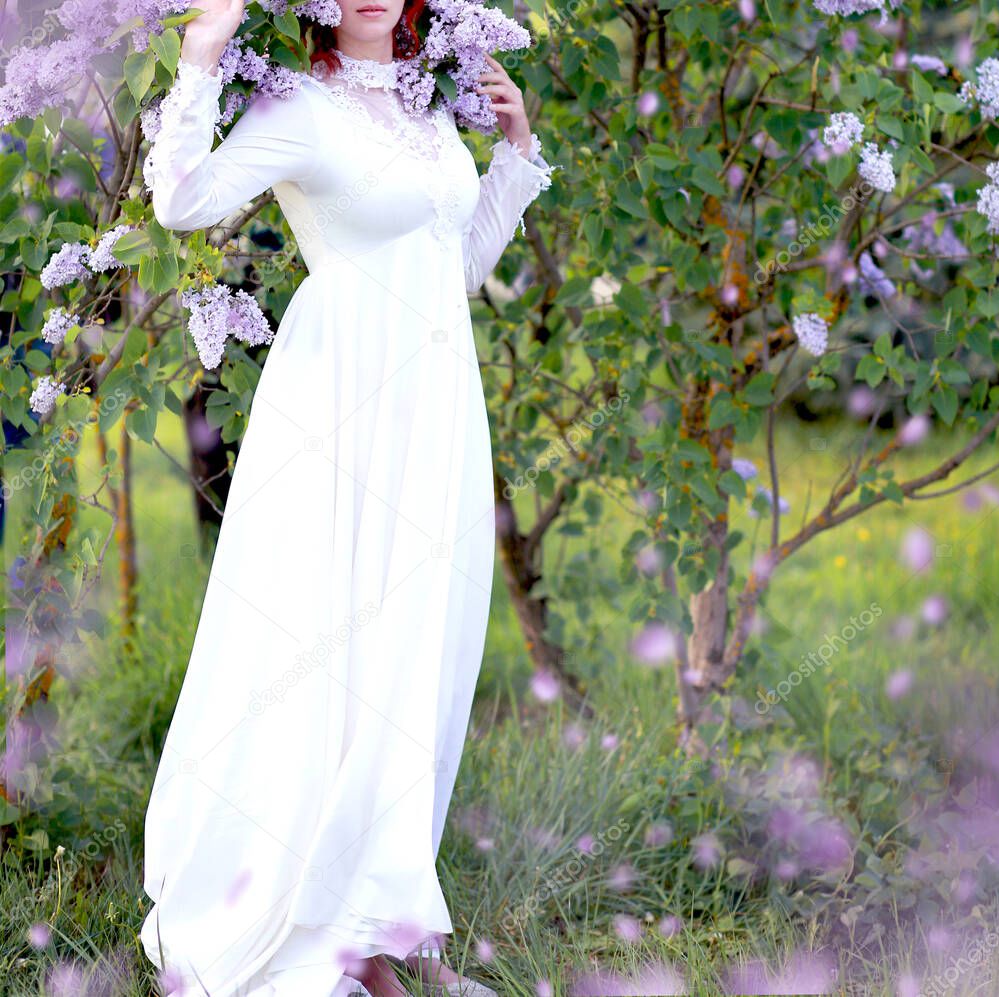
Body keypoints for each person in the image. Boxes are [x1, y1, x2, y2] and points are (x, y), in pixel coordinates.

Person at [137, 0, 556, 994]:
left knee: (418, 654)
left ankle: (378, 922)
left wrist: (515, 149)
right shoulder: (295, 110)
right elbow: (181, 206)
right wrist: (200, 57)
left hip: (435, 402)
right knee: (325, 644)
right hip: (340, 406)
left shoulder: (425, 110)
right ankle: (308, 924)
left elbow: (455, 269)